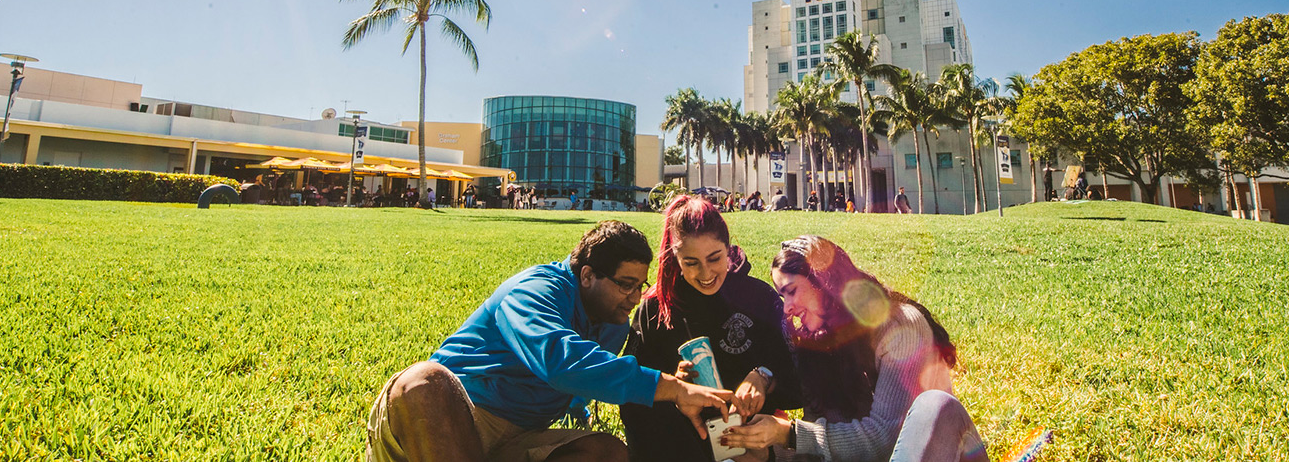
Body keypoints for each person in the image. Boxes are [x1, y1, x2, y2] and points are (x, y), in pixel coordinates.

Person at [365, 221, 735, 462]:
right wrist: (669, 388)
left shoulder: (613, 323)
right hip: (445, 425)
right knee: (424, 381)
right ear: (587, 275)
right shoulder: (534, 291)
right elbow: (561, 361)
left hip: (516, 441)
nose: (635, 298)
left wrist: (580, 406)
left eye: (640, 285)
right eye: (625, 284)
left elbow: (586, 377)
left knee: (606, 454)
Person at [720, 236, 989, 462]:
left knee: (936, 405)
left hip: (942, 451)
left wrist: (788, 434)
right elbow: (827, 445)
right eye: (782, 296)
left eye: (792, 291)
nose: (787, 307)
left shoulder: (899, 325)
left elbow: (887, 438)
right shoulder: (816, 347)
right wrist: (768, 453)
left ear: (824, 283)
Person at [621, 196, 801, 462]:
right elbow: (633, 396)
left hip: (753, 449)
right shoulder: (656, 307)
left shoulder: (759, 298)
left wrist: (764, 378)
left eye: (714, 258)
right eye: (691, 263)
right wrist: (672, 386)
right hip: (683, 446)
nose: (705, 274)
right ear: (675, 258)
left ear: (728, 250)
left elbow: (799, 382)